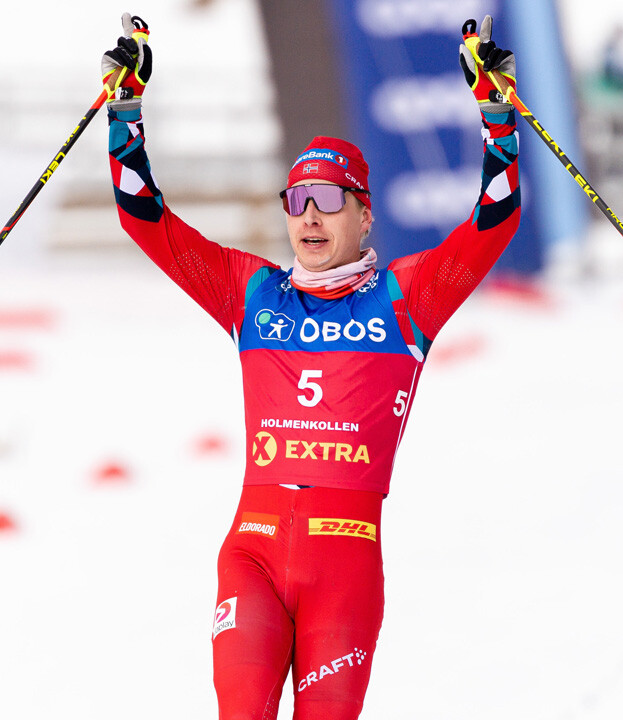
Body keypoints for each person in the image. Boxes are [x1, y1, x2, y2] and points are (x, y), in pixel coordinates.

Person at [100, 13, 520, 720]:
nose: (310, 218)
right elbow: (145, 217)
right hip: (254, 555)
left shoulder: (407, 298)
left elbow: (495, 217)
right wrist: (125, 111)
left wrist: (496, 115)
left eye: (329, 201)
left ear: (365, 215)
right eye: (298, 202)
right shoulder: (251, 292)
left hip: (344, 567)